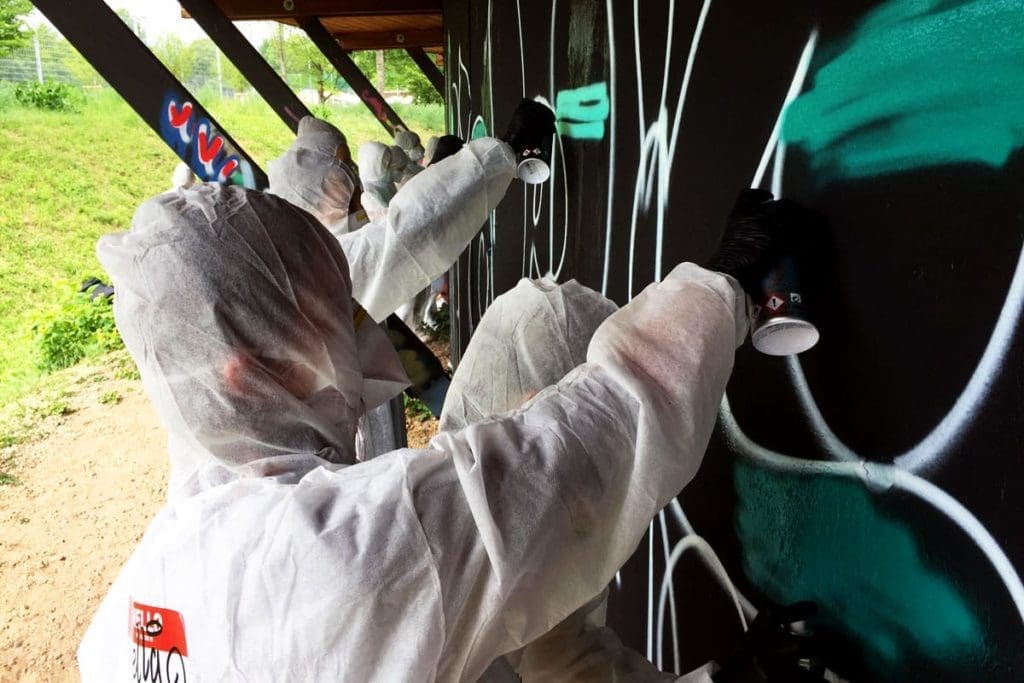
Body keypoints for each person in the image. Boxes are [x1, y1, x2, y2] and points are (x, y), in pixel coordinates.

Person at [77, 179, 798, 679]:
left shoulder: (117, 628)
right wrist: (723, 286)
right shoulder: (334, 559)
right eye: (323, 317)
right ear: (245, 370)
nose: (355, 331)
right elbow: (578, 451)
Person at [356, 140, 399, 223]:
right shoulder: (368, 196)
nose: (388, 168)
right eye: (385, 164)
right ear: (374, 165)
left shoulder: (384, 183)